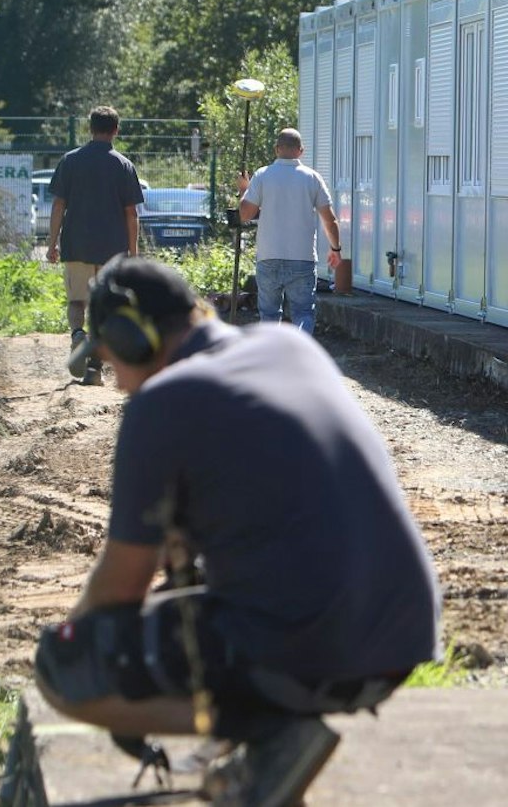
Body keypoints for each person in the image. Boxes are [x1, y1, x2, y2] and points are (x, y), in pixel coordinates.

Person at [38, 257, 438, 807]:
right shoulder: (289, 346)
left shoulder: (159, 404)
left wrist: (72, 634)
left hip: (315, 649)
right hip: (400, 640)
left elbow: (120, 587)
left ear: (133, 339)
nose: (118, 384)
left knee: (64, 667)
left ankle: (274, 734)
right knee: (201, 597)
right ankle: (266, 750)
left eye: (111, 365)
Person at [48, 106, 144, 383]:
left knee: (77, 300)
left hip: (76, 244)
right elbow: (131, 214)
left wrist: (52, 243)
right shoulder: (124, 165)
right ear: (116, 130)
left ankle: (78, 334)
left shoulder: (70, 161)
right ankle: (94, 369)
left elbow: (58, 205)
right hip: (113, 250)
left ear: (89, 128)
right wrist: (134, 254)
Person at [235, 129, 340, 333]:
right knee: (303, 313)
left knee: (269, 315)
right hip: (302, 258)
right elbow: (330, 219)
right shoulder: (312, 178)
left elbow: (245, 215)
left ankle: (274, 351)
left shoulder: (262, 175)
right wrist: (335, 249)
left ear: (276, 149)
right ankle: (300, 350)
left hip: (268, 257)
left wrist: (244, 191)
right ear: (301, 151)